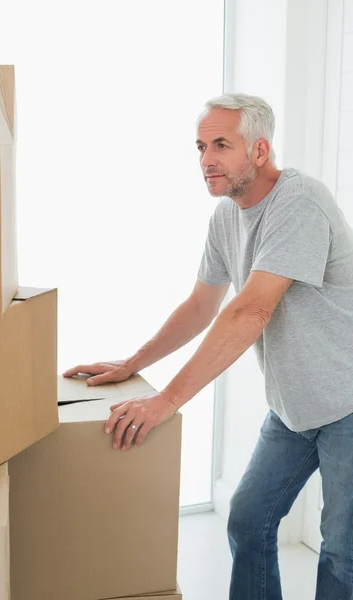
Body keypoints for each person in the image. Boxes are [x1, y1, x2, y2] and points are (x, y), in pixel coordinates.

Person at [64, 93, 353, 599]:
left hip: (348, 401)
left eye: (221, 144)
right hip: (294, 408)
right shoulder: (226, 217)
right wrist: (134, 362)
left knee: (343, 551)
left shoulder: (299, 203)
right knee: (248, 520)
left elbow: (251, 310)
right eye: (200, 146)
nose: (205, 160)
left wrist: (166, 401)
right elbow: (202, 306)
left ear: (260, 151)